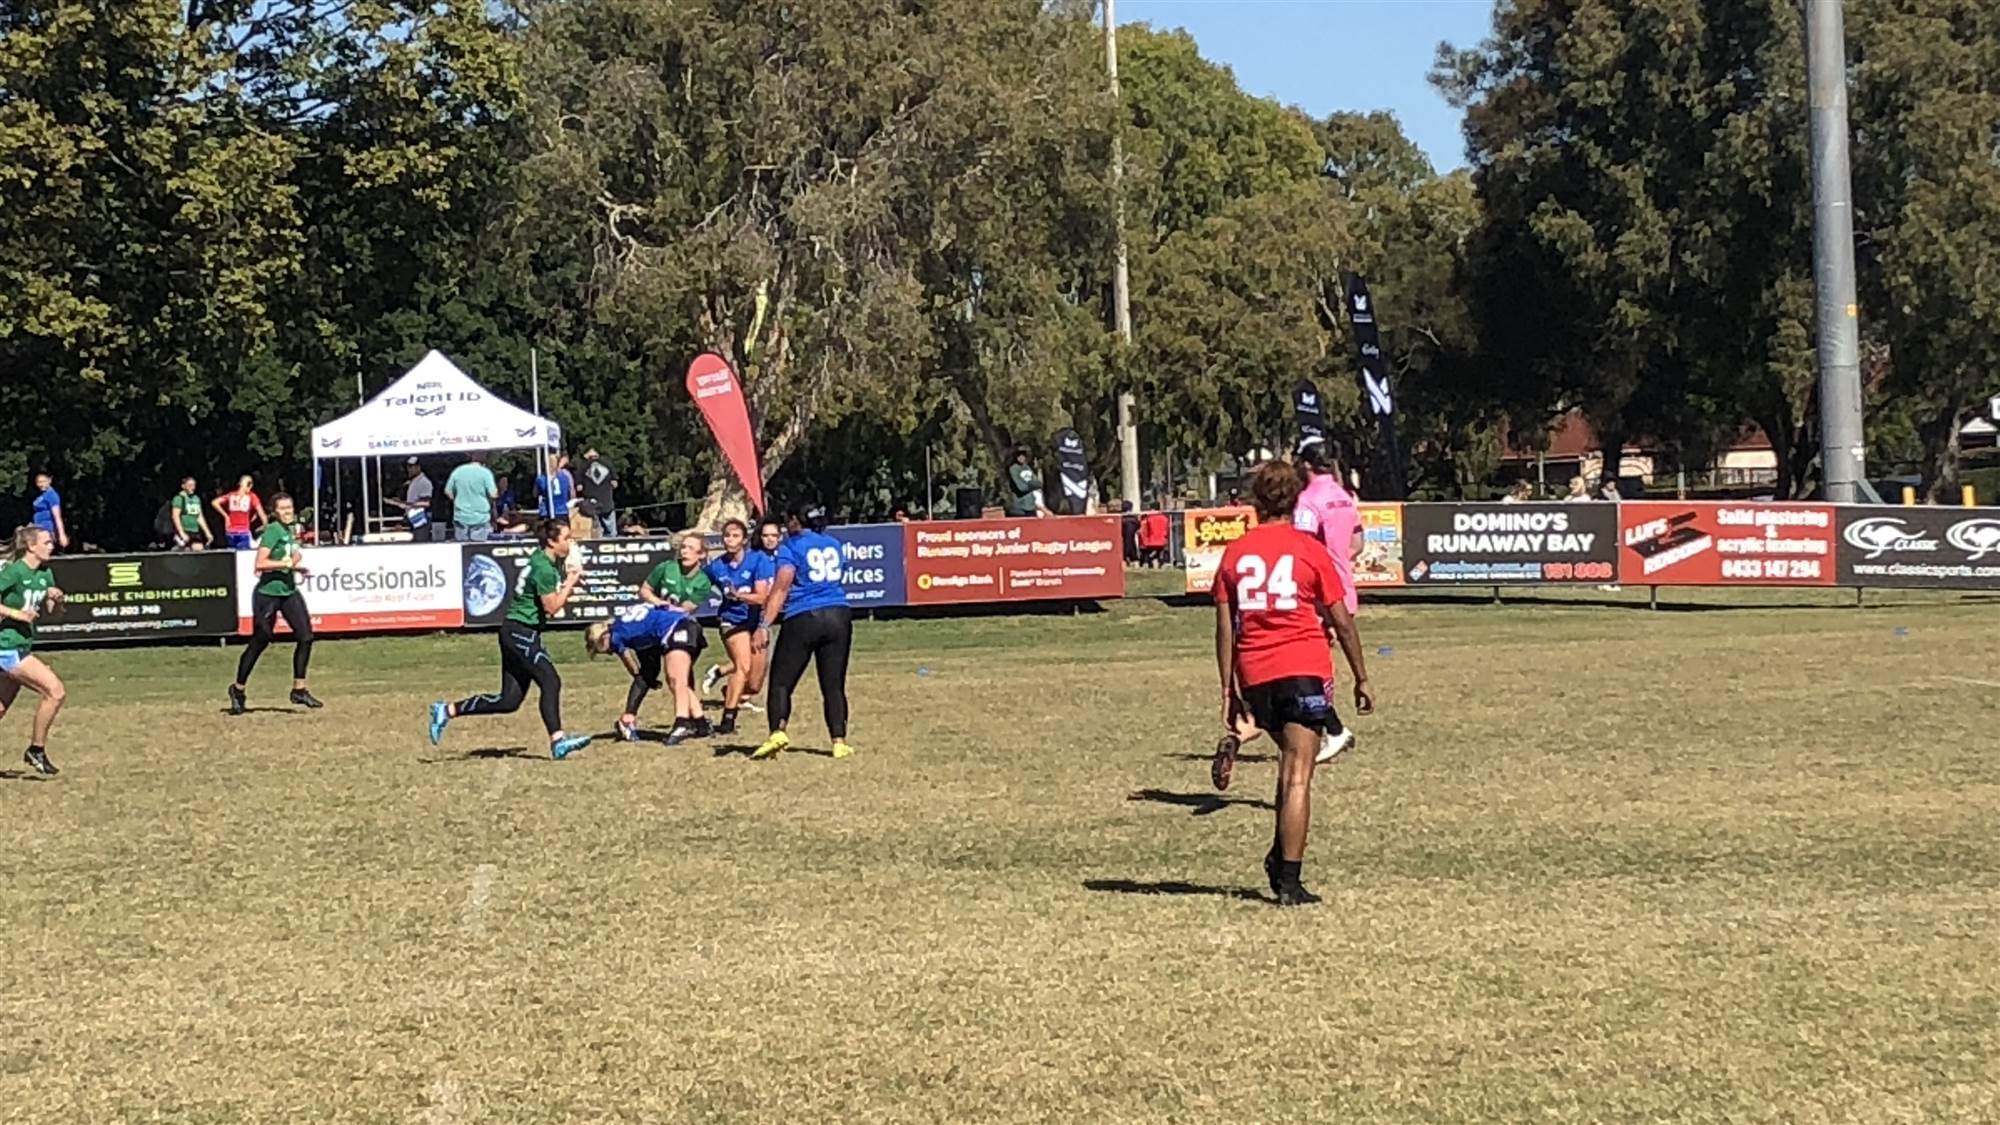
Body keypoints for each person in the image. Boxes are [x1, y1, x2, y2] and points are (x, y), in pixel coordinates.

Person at [1209, 460, 1374, 907]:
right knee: (1298, 775)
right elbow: (1340, 619)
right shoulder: (1309, 550)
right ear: (1296, 499)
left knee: (1287, 765)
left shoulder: (1236, 553)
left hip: (1256, 672)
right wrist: (1361, 676)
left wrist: (1229, 691)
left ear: (1255, 501)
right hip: (1303, 665)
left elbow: (1226, 628)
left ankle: (1280, 858)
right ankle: (1289, 881)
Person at [427, 519, 593, 761]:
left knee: (509, 701)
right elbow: (553, 607)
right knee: (551, 682)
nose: (571, 542)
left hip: (516, 632)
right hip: (520, 632)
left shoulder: (546, 559)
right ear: (551, 541)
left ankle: (447, 710)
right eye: (566, 538)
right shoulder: (544, 568)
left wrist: (572, 578)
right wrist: (569, 584)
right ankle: (558, 741)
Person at [750, 506, 854, 761]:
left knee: (781, 682)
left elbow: (782, 587)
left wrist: (764, 625)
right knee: (833, 685)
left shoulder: (791, 546)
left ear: (796, 521)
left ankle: (778, 732)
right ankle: (839, 741)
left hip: (805, 615)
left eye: (788, 520)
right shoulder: (833, 543)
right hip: (839, 613)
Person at [1292, 439, 1363, 764]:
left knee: (1305, 666)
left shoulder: (1307, 501)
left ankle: (1333, 730)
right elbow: (1358, 543)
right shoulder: (1346, 496)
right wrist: (1338, 562)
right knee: (1318, 664)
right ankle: (1328, 728)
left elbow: (1302, 549)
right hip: (1344, 588)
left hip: (1317, 593)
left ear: (1305, 466)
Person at [228, 493, 322, 714]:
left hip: (288, 590)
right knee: (261, 640)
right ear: (274, 512)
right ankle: (238, 689)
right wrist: (285, 563)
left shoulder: (289, 530)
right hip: (267, 594)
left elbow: (294, 554)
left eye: (290, 507)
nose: (288, 512)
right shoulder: (272, 531)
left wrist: (295, 565)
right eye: (283, 509)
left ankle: (299, 689)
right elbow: (260, 563)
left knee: (306, 636)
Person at [585, 604, 707, 745]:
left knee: (676, 679)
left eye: (603, 649)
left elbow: (630, 663)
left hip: (675, 627)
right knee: (678, 681)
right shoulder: (632, 628)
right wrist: (648, 679)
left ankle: (682, 723)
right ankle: (701, 723)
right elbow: (650, 665)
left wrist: (638, 677)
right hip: (688, 624)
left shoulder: (615, 636)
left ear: (603, 636)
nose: (610, 652)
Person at [0, 526, 67, 775]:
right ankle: (35, 751)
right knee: (55, 691)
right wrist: (16, 613)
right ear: (31, 546)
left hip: (20, 644)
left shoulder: (45, 573)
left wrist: (58, 601)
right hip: (6, 646)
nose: (52, 546)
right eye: (47, 542)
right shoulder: (14, 572)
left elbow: (53, 613)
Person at [699, 519, 776, 734]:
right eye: (726, 536)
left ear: (744, 540)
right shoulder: (717, 566)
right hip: (731, 620)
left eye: (734, 536)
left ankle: (728, 686)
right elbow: (698, 583)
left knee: (754, 684)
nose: (729, 540)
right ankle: (728, 720)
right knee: (743, 666)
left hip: (757, 622)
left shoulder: (757, 560)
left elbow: (761, 597)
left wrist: (739, 595)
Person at [640, 532, 713, 614]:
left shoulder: (703, 582)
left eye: (691, 548)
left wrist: (671, 608)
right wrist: (656, 601)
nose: (684, 551)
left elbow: (687, 608)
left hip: (678, 618)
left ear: (702, 554)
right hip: (656, 614)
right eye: (683, 547)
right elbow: (645, 589)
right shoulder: (666, 567)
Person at [445, 451, 499, 541]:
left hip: (461, 516)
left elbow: (447, 491)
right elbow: (493, 494)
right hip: (480, 518)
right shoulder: (486, 473)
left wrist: (456, 501)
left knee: (461, 548)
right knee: (478, 550)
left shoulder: (458, 471)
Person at [214, 476, 267, 550]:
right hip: (243, 531)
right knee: (243, 556)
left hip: (230, 532)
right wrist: (266, 527)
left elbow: (215, 502)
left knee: (232, 556)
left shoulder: (231, 495)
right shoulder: (252, 496)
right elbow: (261, 513)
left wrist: (226, 516)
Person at [389, 458, 436, 539]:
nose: (409, 469)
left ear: (418, 467)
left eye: (411, 467)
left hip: (421, 518)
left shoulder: (424, 482)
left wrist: (405, 504)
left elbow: (426, 503)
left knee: (420, 543)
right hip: (412, 518)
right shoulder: (412, 481)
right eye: (408, 467)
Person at [580, 449, 619, 538]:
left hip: (592, 504)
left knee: (597, 533)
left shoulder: (583, 467)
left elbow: (579, 487)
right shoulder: (608, 464)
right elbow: (615, 484)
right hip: (607, 502)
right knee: (611, 532)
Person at [170, 476, 214, 549]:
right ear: (183, 486)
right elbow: (175, 516)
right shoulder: (179, 499)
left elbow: (199, 516)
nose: (192, 488)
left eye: (194, 485)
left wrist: (207, 532)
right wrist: (181, 532)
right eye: (190, 485)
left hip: (194, 530)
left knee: (199, 548)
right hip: (184, 529)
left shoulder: (196, 498)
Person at [30, 472, 69, 552]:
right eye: (38, 482)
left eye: (43, 481)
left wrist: (62, 535)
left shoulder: (52, 495)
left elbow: (57, 516)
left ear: (49, 480)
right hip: (37, 527)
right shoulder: (42, 495)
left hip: (46, 529)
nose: (40, 484)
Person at [535, 453, 576, 521]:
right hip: (562, 511)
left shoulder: (541, 479)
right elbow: (571, 493)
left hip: (547, 512)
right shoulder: (565, 477)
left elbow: (535, 494)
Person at [1005, 449, 1043, 518]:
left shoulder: (1027, 467)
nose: (1022, 458)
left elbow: (1038, 483)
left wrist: (1030, 484)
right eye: (1019, 456)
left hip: (1031, 504)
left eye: (1023, 456)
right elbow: (1021, 488)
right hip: (1020, 506)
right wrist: (1032, 484)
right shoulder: (1014, 469)